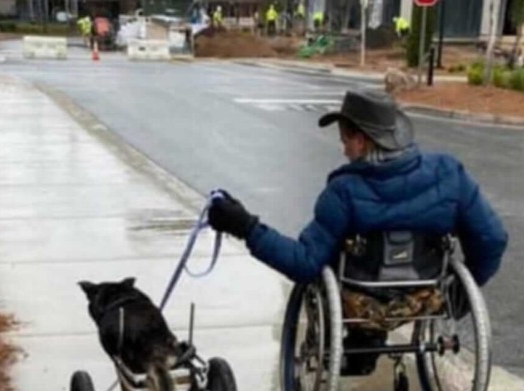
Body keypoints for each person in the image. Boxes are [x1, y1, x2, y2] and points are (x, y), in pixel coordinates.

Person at [207, 90, 508, 373]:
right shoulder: (449, 173)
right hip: (427, 297)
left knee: (331, 273)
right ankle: (371, 342)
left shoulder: (343, 192)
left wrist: (246, 227)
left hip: (363, 307)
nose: (343, 148)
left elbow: (304, 264)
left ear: (362, 141)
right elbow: (492, 239)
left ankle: (364, 347)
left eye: (345, 139)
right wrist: (456, 299)